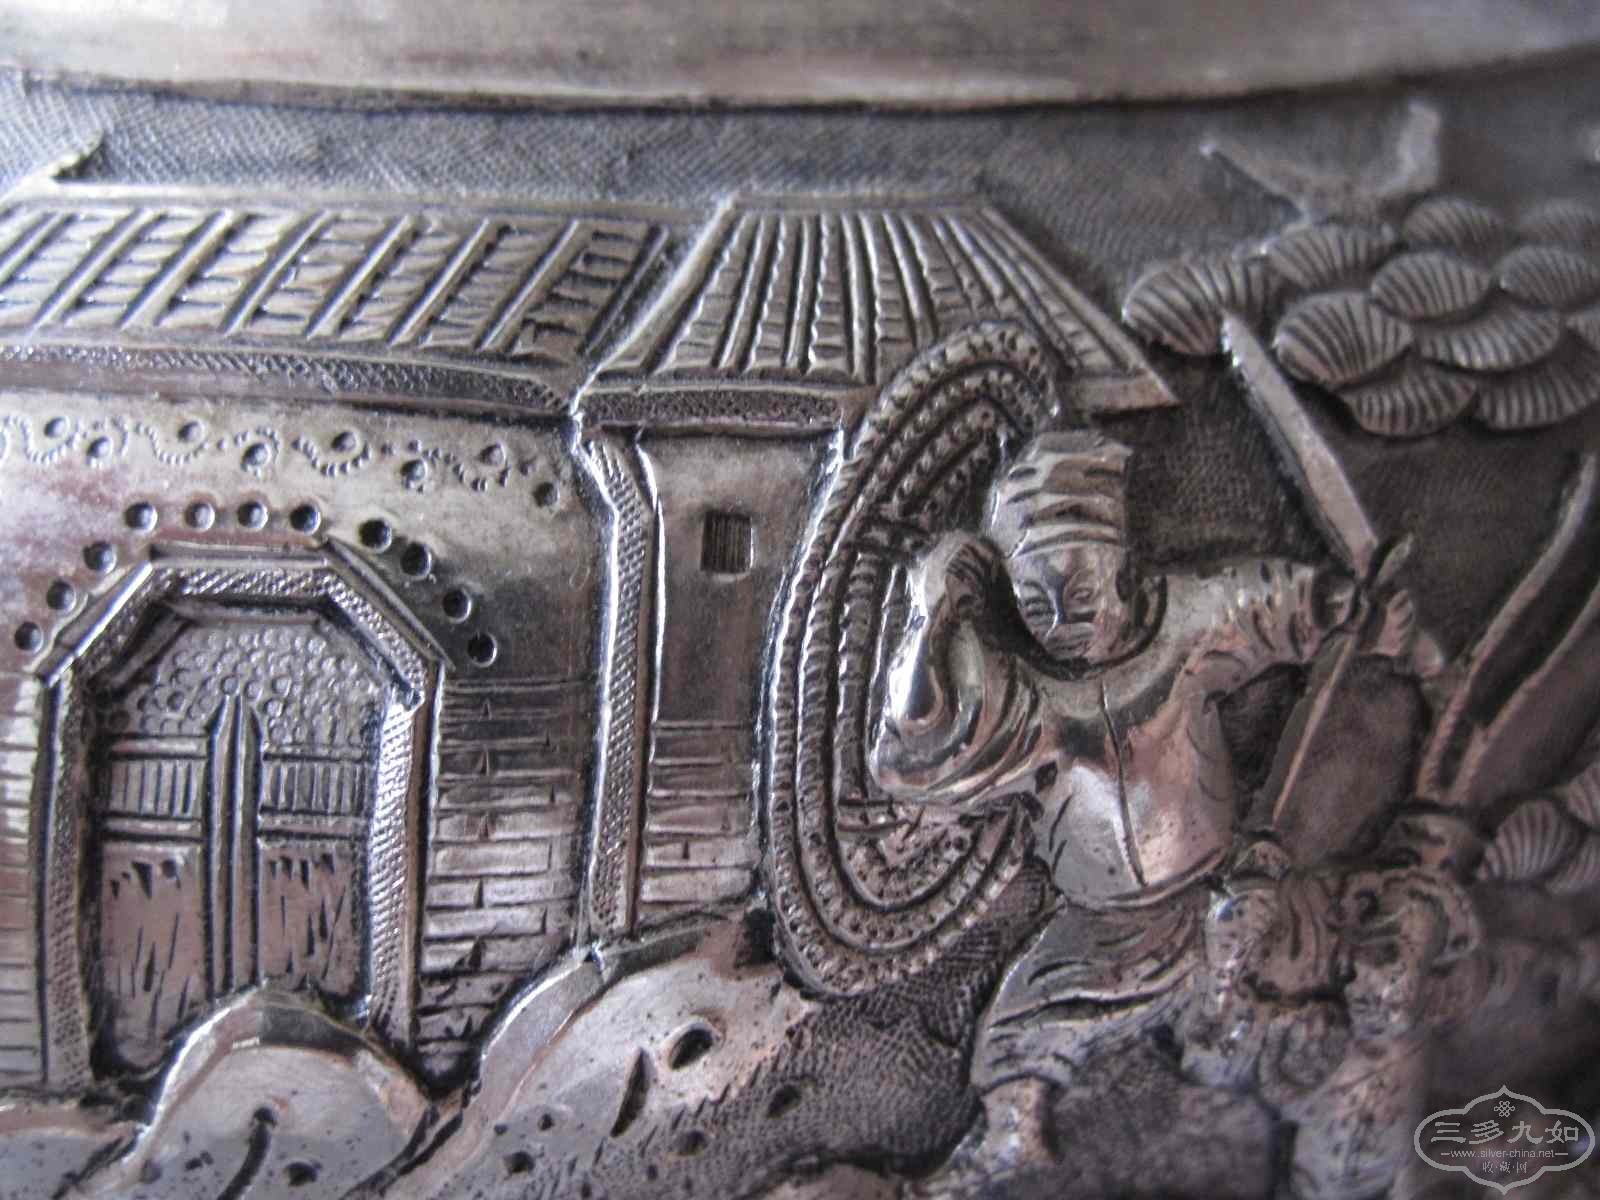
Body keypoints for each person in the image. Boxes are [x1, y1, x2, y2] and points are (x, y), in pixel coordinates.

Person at [867, 428, 1416, 1175]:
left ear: (1123, 571)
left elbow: (1264, 604)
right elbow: (912, 754)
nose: (1064, 622)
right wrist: (933, 614)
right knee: (1024, 1018)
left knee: (1271, 973)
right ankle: (1012, 1136)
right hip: (1108, 925)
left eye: (1081, 595)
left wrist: (1339, 606)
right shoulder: (1028, 699)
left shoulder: (1186, 630)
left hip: (1220, 887)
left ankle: (1266, 1060)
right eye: (1036, 603)